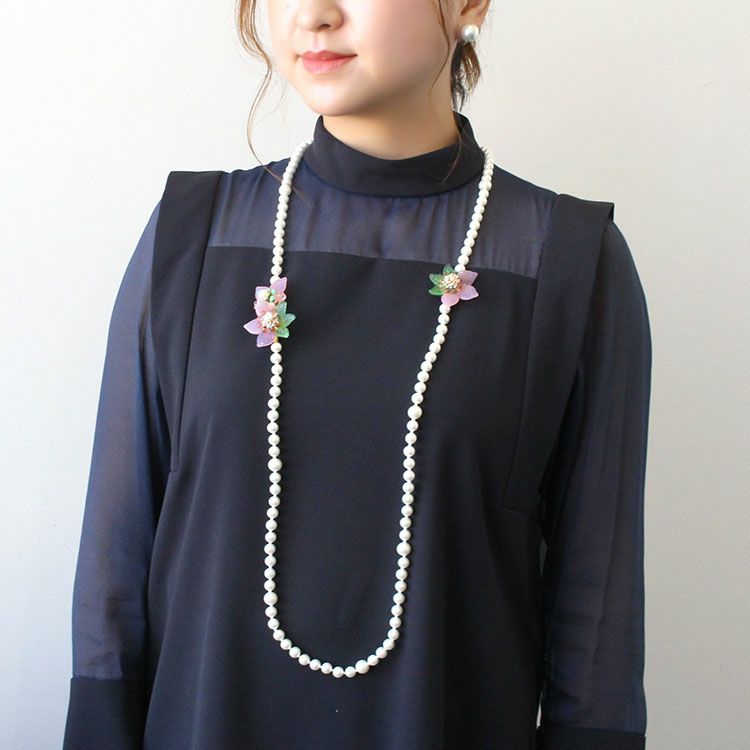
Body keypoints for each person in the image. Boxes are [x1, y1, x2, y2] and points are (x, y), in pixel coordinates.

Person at [62, 1, 652, 748]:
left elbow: (597, 619)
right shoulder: (191, 235)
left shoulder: (567, 262)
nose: (313, 15)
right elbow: (113, 568)